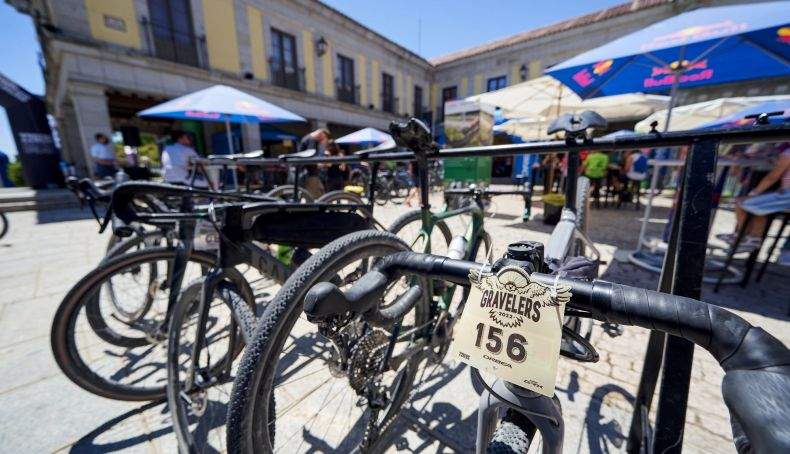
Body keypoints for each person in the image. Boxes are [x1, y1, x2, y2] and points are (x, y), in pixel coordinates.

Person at [719, 143, 790, 250]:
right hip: (784, 193)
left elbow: (773, 176)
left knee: (742, 203)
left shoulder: (788, 152)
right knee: (758, 206)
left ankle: (747, 236)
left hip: (786, 196)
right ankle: (749, 237)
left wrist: (753, 194)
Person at [298, 128, 331, 198]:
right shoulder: (311, 140)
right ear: (321, 134)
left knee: (321, 194)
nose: (323, 141)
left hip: (312, 173)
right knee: (313, 196)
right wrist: (320, 164)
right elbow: (310, 158)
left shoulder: (310, 139)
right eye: (324, 138)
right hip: (310, 174)